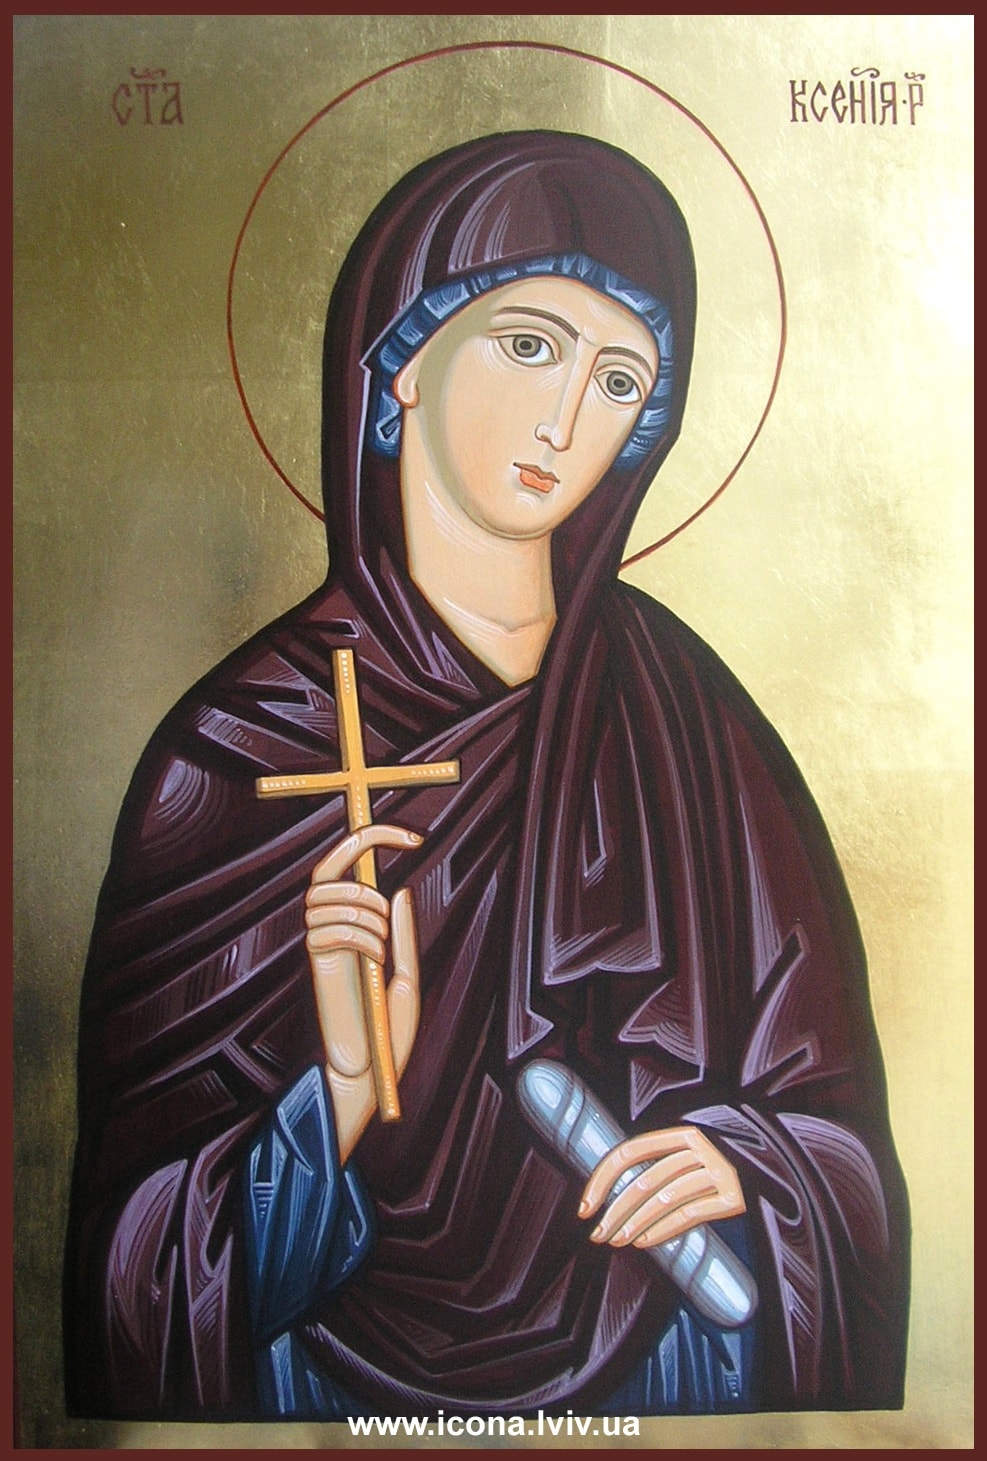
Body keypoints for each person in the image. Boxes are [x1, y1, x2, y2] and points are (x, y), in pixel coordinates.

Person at [63, 130, 910, 1422]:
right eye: (527, 345)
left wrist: (747, 1164)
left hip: (663, 1364)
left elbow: (832, 1122)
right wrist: (342, 1097)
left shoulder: (693, 723)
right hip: (316, 1385)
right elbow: (133, 1260)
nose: (567, 419)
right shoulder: (233, 751)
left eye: (619, 380)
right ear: (402, 359)